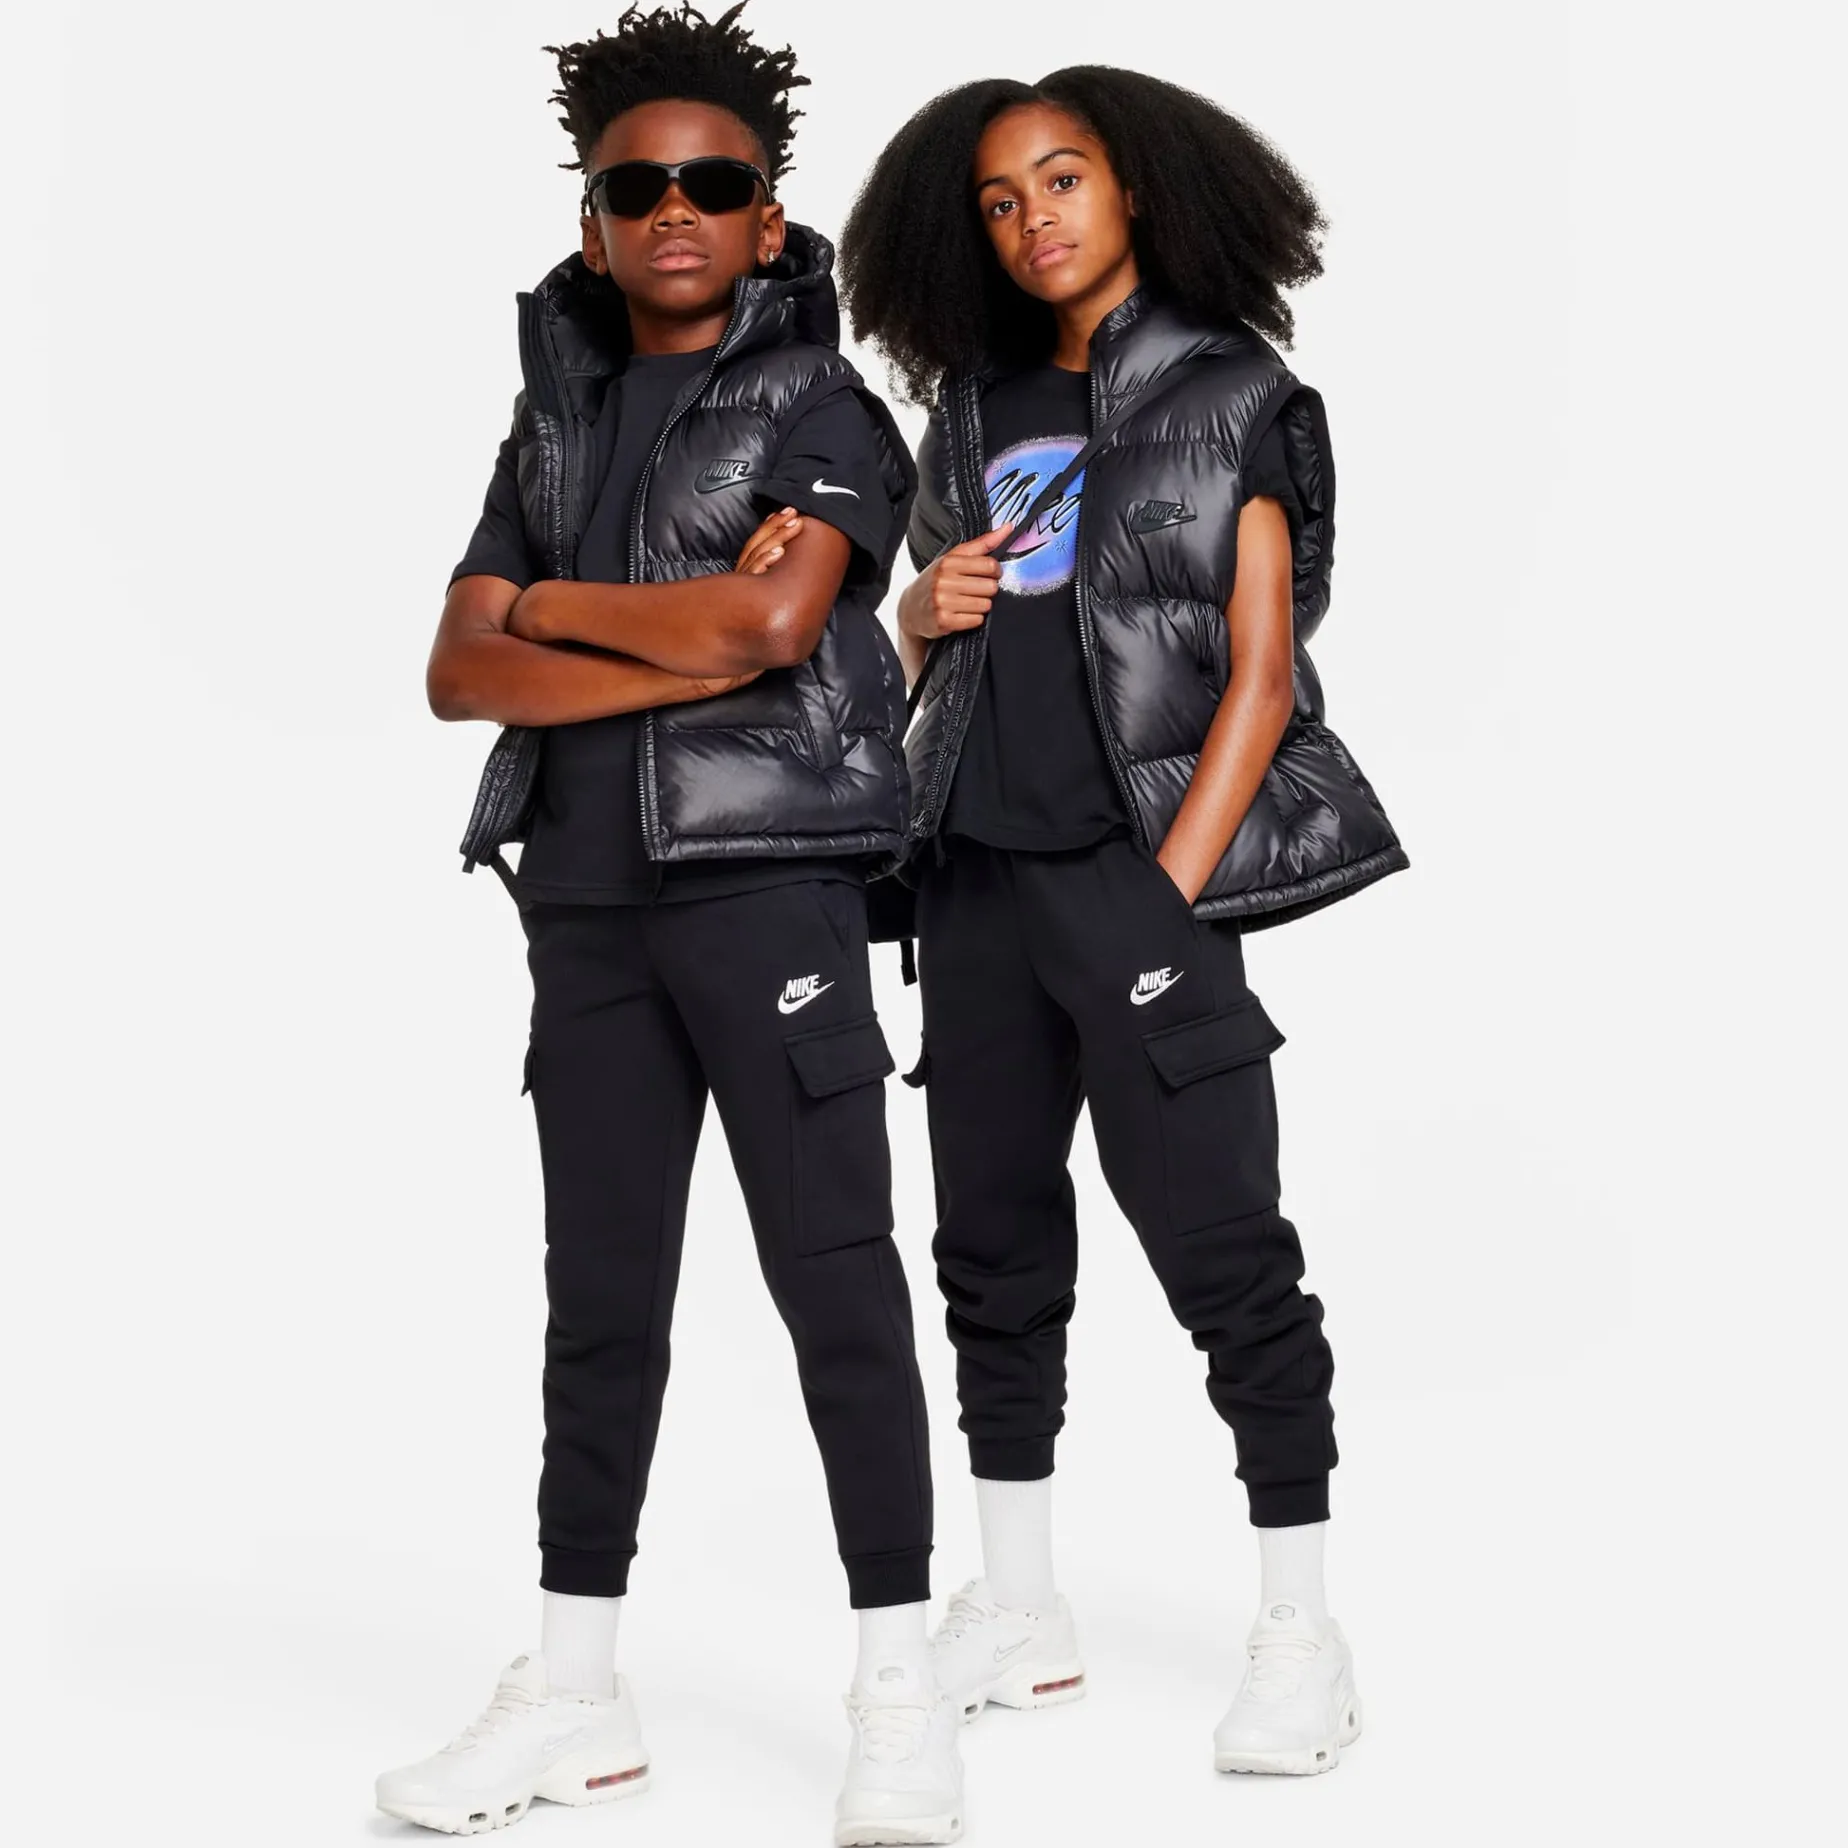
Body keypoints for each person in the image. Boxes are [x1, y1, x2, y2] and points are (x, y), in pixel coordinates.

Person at [376, 9, 963, 1841]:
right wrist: (658, 630)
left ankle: (898, 1690)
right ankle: (575, 1691)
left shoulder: (827, 409)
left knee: (838, 1286)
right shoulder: (549, 421)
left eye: (716, 181)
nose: (678, 209)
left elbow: (770, 631)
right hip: (583, 912)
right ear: (595, 220)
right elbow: (455, 671)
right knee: (599, 1306)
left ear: (768, 217)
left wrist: (555, 607)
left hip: (770, 889)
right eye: (640, 188)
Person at [834, 68, 1406, 1776]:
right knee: (991, 1259)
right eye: (1002, 201)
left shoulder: (1237, 394)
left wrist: (1167, 891)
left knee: (1229, 1257)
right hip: (972, 883)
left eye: (1064, 179)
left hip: (1134, 882)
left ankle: (1301, 1632)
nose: (1036, 220)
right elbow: (938, 644)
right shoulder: (972, 405)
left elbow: (1262, 671)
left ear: (1138, 187)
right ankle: (1021, 1606)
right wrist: (916, 615)